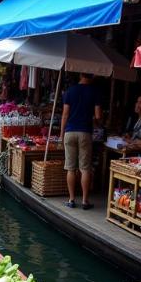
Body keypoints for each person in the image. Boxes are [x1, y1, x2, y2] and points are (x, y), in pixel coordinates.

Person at [60, 73, 102, 209]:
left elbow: (65, 115)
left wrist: (62, 133)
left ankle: (71, 200)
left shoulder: (70, 91)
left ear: (80, 75)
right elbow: (98, 116)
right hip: (85, 132)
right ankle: (84, 201)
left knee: (70, 168)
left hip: (70, 131)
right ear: (92, 76)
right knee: (85, 168)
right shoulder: (95, 92)